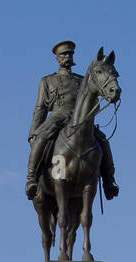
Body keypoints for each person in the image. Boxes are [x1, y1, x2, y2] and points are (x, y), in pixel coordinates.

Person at [25, 40, 118, 202]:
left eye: (69, 54)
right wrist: (33, 132)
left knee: (103, 140)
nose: (67, 57)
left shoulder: (82, 80)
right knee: (42, 138)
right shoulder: (47, 81)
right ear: (57, 58)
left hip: (79, 119)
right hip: (58, 116)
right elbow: (40, 109)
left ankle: (108, 181)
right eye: (63, 55)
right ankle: (31, 178)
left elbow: (91, 102)